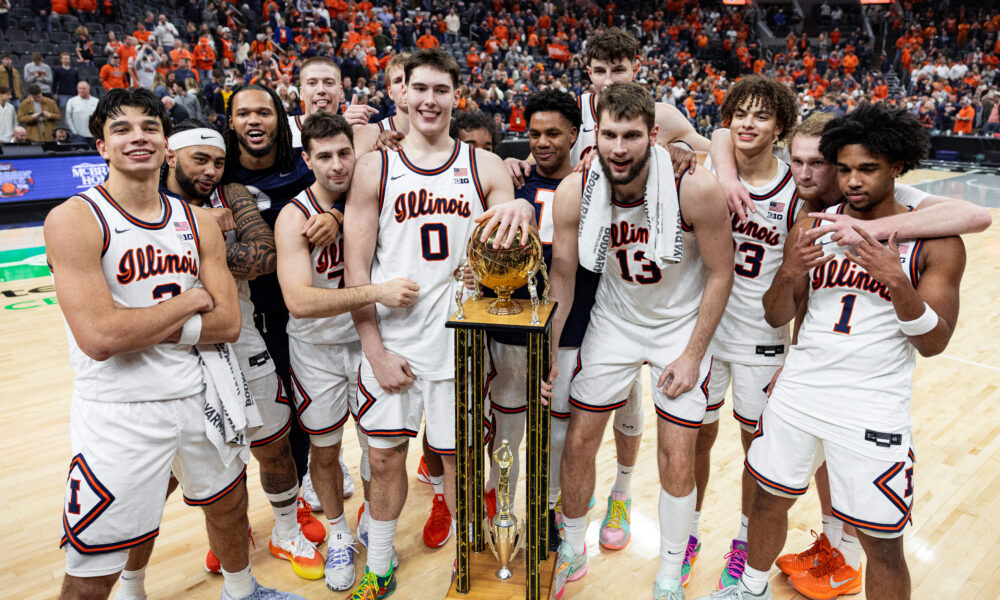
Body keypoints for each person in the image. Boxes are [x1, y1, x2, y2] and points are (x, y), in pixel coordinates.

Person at [699, 102, 967, 600]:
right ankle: (748, 588)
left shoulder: (935, 241)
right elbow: (778, 315)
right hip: (800, 391)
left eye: (867, 169)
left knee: (882, 544)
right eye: (844, 169)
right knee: (765, 501)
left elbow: (933, 343)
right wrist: (788, 271)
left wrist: (896, 282)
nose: (853, 181)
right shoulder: (813, 225)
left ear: (897, 167)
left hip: (870, 406)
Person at [44, 87, 303, 600]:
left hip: (201, 390)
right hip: (122, 409)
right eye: (122, 129)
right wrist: (188, 303)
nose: (137, 137)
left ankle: (241, 589)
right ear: (101, 145)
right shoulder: (74, 219)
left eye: (149, 128)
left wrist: (134, 323)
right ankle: (131, 590)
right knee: (92, 570)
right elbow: (100, 337)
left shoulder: (198, 221)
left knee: (227, 505)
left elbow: (228, 322)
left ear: (164, 143)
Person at [343, 48, 534, 599]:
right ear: (400, 94)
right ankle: (379, 563)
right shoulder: (375, 167)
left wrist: (520, 210)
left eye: (440, 90)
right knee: (383, 460)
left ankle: (465, 561)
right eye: (418, 88)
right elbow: (358, 270)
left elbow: (513, 243)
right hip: (393, 341)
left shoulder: (486, 167)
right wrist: (373, 349)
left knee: (459, 462)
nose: (429, 100)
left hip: (462, 344)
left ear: (457, 97)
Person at [110, 119, 328, 597]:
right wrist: (205, 235)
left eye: (217, 161)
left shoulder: (232, 194)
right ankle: (132, 579)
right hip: (171, 354)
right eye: (199, 160)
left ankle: (286, 532)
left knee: (274, 442)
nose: (210, 171)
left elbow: (264, 254)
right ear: (171, 157)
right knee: (160, 476)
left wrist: (198, 250)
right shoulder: (142, 203)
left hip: (241, 340)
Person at [546, 82, 733, 600]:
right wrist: (550, 354)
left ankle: (670, 572)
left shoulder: (693, 187)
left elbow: (721, 273)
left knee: (677, 452)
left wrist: (694, 353)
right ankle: (572, 547)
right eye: (610, 135)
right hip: (615, 322)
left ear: (654, 135)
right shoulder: (575, 188)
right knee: (581, 439)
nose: (620, 147)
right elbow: (562, 275)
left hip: (679, 327)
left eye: (632, 135)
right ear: (596, 135)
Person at [275, 112, 420, 592]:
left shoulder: (372, 194)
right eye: (324, 156)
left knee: (383, 450)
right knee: (326, 448)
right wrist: (374, 292)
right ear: (307, 159)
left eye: (344, 153)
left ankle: (374, 533)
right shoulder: (293, 216)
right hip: (316, 349)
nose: (337, 165)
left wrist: (339, 216)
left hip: (371, 340)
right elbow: (299, 301)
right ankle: (337, 535)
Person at [691, 75, 802, 590]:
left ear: (780, 126)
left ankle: (742, 539)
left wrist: (797, 354)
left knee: (755, 449)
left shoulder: (795, 190)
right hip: (704, 332)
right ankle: (686, 529)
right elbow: (678, 127)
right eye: (741, 113)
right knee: (695, 437)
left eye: (761, 115)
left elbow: (803, 281)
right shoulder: (711, 167)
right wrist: (719, 151)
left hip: (763, 338)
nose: (748, 124)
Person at [483, 89, 590, 554]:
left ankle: (546, 510)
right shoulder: (512, 182)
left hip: (570, 328)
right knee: (507, 426)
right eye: (534, 134)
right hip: (509, 327)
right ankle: (503, 508)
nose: (543, 142)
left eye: (553, 133)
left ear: (573, 134)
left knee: (558, 430)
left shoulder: (591, 186)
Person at [289, 56, 378, 149]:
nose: (321, 90)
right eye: (312, 83)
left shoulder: (357, 133)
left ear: (340, 92)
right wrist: (336, 129)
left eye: (329, 83)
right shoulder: (283, 128)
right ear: (301, 93)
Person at [351, 53, 410, 156]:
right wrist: (344, 130)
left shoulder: (445, 128)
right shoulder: (370, 134)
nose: (404, 85)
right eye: (398, 80)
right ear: (390, 93)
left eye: (409, 79)